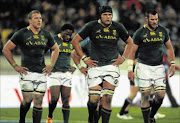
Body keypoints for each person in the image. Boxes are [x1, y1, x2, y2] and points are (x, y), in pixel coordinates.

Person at [72, 5, 133, 123]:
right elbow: (75, 41)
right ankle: (91, 118)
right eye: (105, 14)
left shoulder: (118, 27)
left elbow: (130, 42)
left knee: (107, 98)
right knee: (94, 100)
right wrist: (84, 59)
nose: (108, 17)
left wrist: (123, 58)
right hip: (95, 67)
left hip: (112, 66)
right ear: (100, 15)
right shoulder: (91, 26)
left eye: (110, 15)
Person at [2, 10, 59, 123]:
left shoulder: (46, 34)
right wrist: (15, 66)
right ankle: (22, 120)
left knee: (38, 100)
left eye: (40, 18)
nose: (39, 21)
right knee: (27, 100)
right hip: (27, 72)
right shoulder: (22, 33)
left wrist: (51, 64)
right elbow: (6, 49)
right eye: (36, 18)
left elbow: (56, 48)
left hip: (41, 72)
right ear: (29, 20)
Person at [128, 9, 175, 123]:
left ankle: (151, 115)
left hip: (158, 67)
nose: (154, 22)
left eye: (156, 19)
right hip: (143, 66)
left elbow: (169, 47)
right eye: (152, 19)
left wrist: (172, 63)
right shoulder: (139, 33)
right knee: (145, 95)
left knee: (161, 95)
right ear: (146, 19)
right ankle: (147, 121)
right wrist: (130, 69)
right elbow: (132, 52)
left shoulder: (163, 31)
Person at [46, 24, 75, 123]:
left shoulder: (72, 42)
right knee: (54, 98)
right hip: (55, 73)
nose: (68, 36)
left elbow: (78, 53)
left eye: (70, 35)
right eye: (66, 34)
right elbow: (41, 51)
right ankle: (50, 116)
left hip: (67, 74)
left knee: (66, 100)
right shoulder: (53, 39)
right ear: (61, 32)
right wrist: (48, 65)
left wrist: (76, 66)